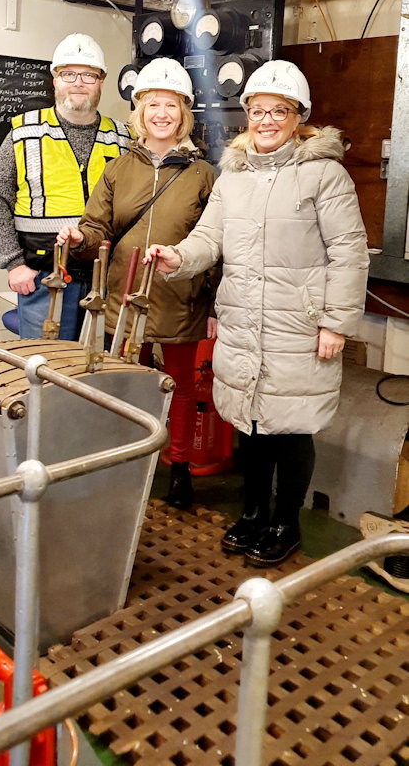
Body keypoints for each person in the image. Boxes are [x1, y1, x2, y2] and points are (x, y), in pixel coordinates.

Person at [144, 59, 369, 566]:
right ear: (247, 115)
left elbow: (349, 251)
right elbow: (209, 238)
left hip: (299, 325)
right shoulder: (234, 176)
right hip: (244, 321)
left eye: (279, 111)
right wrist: (178, 258)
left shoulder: (324, 175)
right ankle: (251, 513)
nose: (267, 120)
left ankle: (285, 524)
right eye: (258, 110)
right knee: (250, 422)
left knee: (291, 427)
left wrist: (336, 322)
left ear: (298, 117)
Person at [56, 57, 217, 510]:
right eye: (152, 104)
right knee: (127, 385)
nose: (161, 114)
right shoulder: (116, 169)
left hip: (180, 300)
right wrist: (76, 237)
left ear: (183, 114)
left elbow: (216, 245)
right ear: (140, 111)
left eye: (171, 105)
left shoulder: (204, 175)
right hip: (122, 303)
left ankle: (179, 469)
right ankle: (129, 463)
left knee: (179, 387)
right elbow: (95, 230)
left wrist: (214, 307)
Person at [0, 33, 131, 339]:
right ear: (55, 81)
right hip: (41, 274)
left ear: (101, 81)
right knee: (46, 368)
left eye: (88, 75)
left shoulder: (122, 137)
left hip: (103, 277)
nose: (78, 82)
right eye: (68, 74)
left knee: (97, 369)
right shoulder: (24, 132)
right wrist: (13, 264)